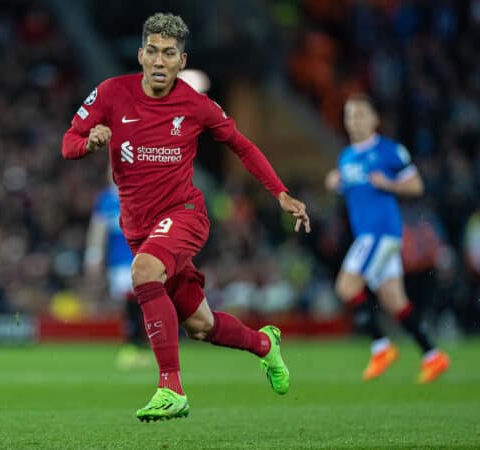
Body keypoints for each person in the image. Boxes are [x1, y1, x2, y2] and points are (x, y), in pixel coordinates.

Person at [62, 12, 311, 422]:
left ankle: (170, 388)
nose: (160, 61)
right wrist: (88, 142)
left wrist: (280, 193)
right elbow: (67, 142)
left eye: (170, 54)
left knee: (142, 272)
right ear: (141, 55)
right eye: (154, 52)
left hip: (185, 214)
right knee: (200, 325)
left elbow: (242, 146)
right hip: (138, 227)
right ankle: (265, 345)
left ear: (182, 61)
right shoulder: (110, 93)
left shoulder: (196, 105)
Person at [325, 94, 449, 384]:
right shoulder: (347, 156)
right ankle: (433, 355)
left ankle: (381, 347)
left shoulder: (389, 151)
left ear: (373, 119)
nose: (353, 121)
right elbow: (351, 187)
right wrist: (336, 182)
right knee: (395, 300)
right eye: (348, 116)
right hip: (370, 234)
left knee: (345, 287)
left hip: (379, 233)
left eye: (359, 115)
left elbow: (417, 185)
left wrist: (390, 183)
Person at [85, 178, 150, 370]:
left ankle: (137, 347)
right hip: (120, 262)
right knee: (131, 302)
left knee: (142, 303)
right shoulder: (107, 199)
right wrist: (93, 256)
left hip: (142, 257)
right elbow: (98, 230)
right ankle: (131, 347)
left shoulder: (140, 194)